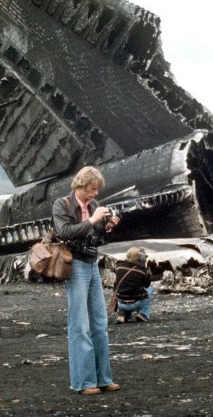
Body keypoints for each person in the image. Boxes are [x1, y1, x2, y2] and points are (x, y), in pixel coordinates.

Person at [53, 166, 121, 395]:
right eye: (92, 189)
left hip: (92, 262)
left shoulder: (92, 206)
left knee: (100, 323)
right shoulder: (62, 205)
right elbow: (64, 232)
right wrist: (93, 220)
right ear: (80, 185)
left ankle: (103, 378)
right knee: (80, 324)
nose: (95, 194)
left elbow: (94, 235)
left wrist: (107, 227)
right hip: (76, 266)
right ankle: (83, 382)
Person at [113, 247, 153, 323]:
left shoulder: (119, 266)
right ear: (140, 258)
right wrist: (144, 267)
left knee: (124, 289)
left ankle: (123, 314)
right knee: (150, 289)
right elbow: (147, 285)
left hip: (120, 303)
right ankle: (143, 314)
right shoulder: (142, 271)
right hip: (136, 304)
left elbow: (115, 285)